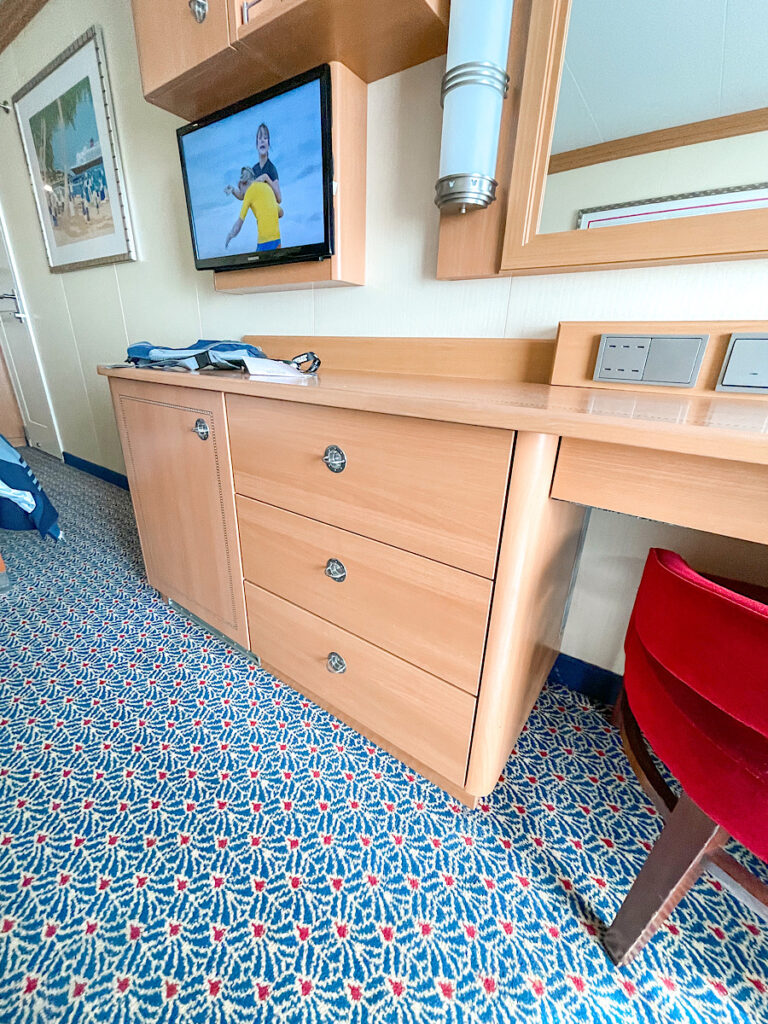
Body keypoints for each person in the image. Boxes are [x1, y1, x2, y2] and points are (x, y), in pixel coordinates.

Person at [224, 167, 281, 251]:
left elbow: (239, 224)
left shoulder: (249, 193)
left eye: (241, 190)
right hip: (277, 240)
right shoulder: (266, 187)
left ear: (244, 183)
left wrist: (230, 236)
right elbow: (281, 213)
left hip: (265, 242)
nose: (243, 194)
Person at [225, 123, 281, 205]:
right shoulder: (254, 170)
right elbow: (243, 195)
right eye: (259, 138)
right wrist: (233, 189)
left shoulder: (271, 168)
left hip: (270, 211)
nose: (262, 140)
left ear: (268, 144)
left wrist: (266, 178)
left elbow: (279, 198)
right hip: (259, 212)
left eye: (265, 138)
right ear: (256, 145)